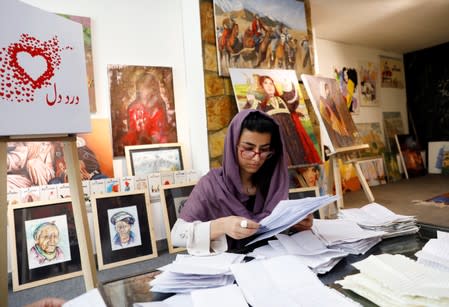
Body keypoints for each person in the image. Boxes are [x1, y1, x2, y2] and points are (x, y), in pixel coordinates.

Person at [171, 110, 313, 255]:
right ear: (233, 145)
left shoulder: (273, 183)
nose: (257, 158)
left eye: (264, 150)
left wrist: (297, 224)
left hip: (271, 262)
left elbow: (276, 227)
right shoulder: (211, 185)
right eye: (248, 149)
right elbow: (176, 235)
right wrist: (222, 225)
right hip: (226, 269)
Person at [246, 75, 321, 166]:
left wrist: (286, 84)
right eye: (265, 83)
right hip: (277, 142)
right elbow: (256, 117)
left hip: (293, 139)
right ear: (261, 87)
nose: (269, 86)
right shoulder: (261, 104)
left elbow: (292, 102)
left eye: (271, 83)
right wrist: (251, 99)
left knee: (299, 161)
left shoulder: (283, 99)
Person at [122, 73, 169, 146]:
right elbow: (132, 132)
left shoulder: (159, 108)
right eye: (143, 88)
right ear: (138, 90)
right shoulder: (132, 108)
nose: (147, 91)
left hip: (157, 147)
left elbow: (161, 131)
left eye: (150, 88)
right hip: (137, 148)